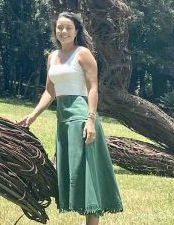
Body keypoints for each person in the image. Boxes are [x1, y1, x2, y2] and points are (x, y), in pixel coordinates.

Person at [18, 11, 123, 223]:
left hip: (80, 117)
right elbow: (50, 91)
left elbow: (93, 88)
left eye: (68, 28)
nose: (63, 31)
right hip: (63, 120)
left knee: (87, 175)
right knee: (73, 174)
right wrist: (33, 116)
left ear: (76, 31)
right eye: (60, 28)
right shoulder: (52, 57)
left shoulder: (83, 53)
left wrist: (91, 120)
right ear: (55, 31)